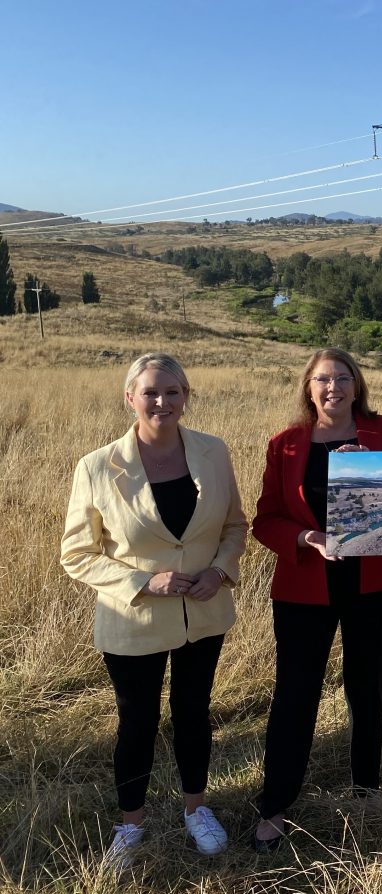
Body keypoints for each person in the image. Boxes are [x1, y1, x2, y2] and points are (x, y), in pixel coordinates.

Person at [60, 353, 247, 865]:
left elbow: (234, 525)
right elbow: (76, 554)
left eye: (172, 392)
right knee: (137, 721)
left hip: (204, 614)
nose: (162, 402)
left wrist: (220, 571)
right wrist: (145, 580)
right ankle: (131, 823)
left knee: (193, 714)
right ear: (130, 399)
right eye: (150, 392)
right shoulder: (97, 467)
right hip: (133, 619)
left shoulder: (213, 451)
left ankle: (196, 810)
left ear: (186, 397)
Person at [250, 347, 382, 852]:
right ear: (308, 387)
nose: (334, 388)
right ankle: (275, 803)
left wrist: (375, 468)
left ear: (358, 384)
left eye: (343, 378)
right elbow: (266, 518)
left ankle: (365, 787)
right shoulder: (285, 444)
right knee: (294, 694)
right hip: (306, 585)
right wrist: (308, 540)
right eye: (323, 379)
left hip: (376, 583)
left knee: (367, 686)